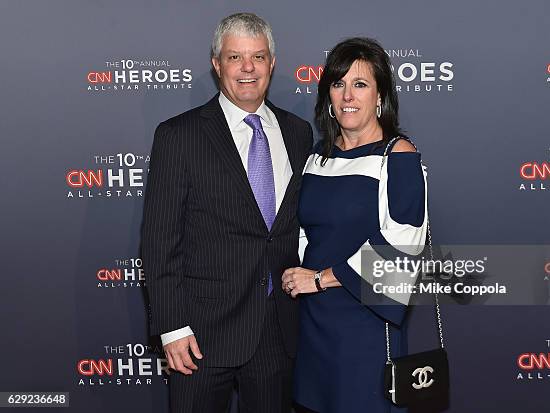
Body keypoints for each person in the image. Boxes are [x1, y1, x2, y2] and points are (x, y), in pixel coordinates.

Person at [141, 13, 313, 413]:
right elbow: (158, 240)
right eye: (235, 57)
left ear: (273, 62)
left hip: (276, 331)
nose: (248, 68)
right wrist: (172, 327)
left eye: (258, 56)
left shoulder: (298, 132)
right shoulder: (179, 135)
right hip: (199, 336)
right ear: (217, 64)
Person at [281, 37, 428, 412]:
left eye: (360, 84)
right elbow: (303, 231)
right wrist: (297, 275)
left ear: (380, 95)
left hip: (367, 325)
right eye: (338, 84)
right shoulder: (317, 157)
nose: (348, 95)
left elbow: (402, 246)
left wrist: (318, 279)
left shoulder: (398, 156)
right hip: (314, 325)